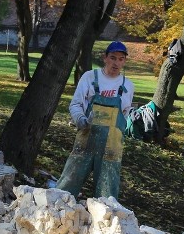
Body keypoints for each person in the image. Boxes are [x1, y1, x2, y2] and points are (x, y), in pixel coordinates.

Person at [56, 41, 135, 200]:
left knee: (107, 193)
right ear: (105, 58)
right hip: (86, 139)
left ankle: (103, 220)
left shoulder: (128, 85)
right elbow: (76, 104)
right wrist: (80, 119)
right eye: (113, 58)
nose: (116, 63)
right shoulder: (90, 77)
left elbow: (125, 115)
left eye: (121, 59)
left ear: (124, 61)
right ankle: (54, 210)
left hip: (112, 146)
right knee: (68, 182)